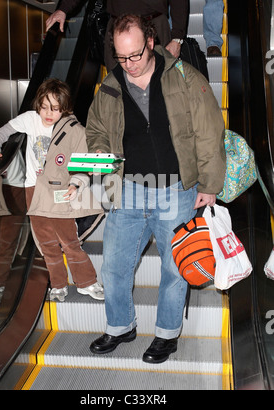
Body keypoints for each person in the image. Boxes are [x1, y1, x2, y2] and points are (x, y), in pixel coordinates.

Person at [85, 14, 226, 364]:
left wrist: (209, 184)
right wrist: (100, 152)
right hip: (129, 189)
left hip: (176, 190)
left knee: (175, 269)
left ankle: (166, 335)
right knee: (114, 268)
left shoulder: (183, 77)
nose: (129, 65)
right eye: (121, 57)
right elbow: (95, 131)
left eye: (135, 55)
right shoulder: (110, 85)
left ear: (150, 42)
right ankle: (120, 326)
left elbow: (209, 132)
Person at [0, 78, 105, 302]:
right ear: (38, 105)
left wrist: (76, 184)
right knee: (46, 243)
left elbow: (82, 165)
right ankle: (59, 285)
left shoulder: (73, 129)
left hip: (60, 191)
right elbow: (1, 133)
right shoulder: (30, 120)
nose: (48, 113)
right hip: (33, 190)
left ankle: (86, 282)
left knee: (69, 240)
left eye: (55, 108)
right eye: (44, 107)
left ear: (64, 107)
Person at [45, 0, 189, 70]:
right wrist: (63, 9)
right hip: (117, 25)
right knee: (116, 85)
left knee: (159, 82)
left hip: (154, 25)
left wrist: (177, 38)